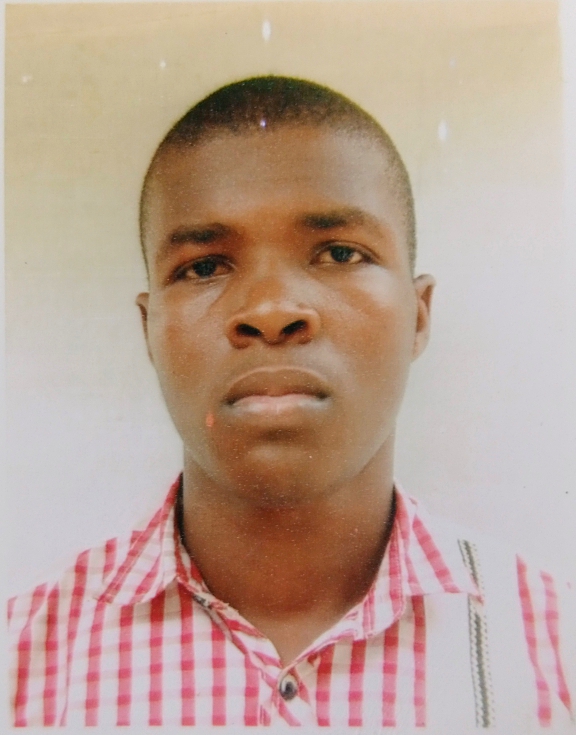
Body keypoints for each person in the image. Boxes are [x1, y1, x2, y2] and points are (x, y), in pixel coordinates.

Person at [8, 76, 575, 730]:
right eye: (204, 266)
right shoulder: (20, 669)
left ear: (419, 317)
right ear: (149, 331)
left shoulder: (555, 655)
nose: (272, 310)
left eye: (339, 253)